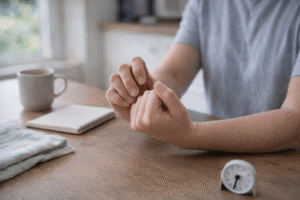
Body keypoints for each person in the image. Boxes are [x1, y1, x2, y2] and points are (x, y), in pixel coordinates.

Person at [106, 0, 300, 153]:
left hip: (285, 161)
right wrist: (146, 93)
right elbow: (173, 72)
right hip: (213, 155)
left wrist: (191, 135)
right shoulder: (203, 3)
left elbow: (295, 120)